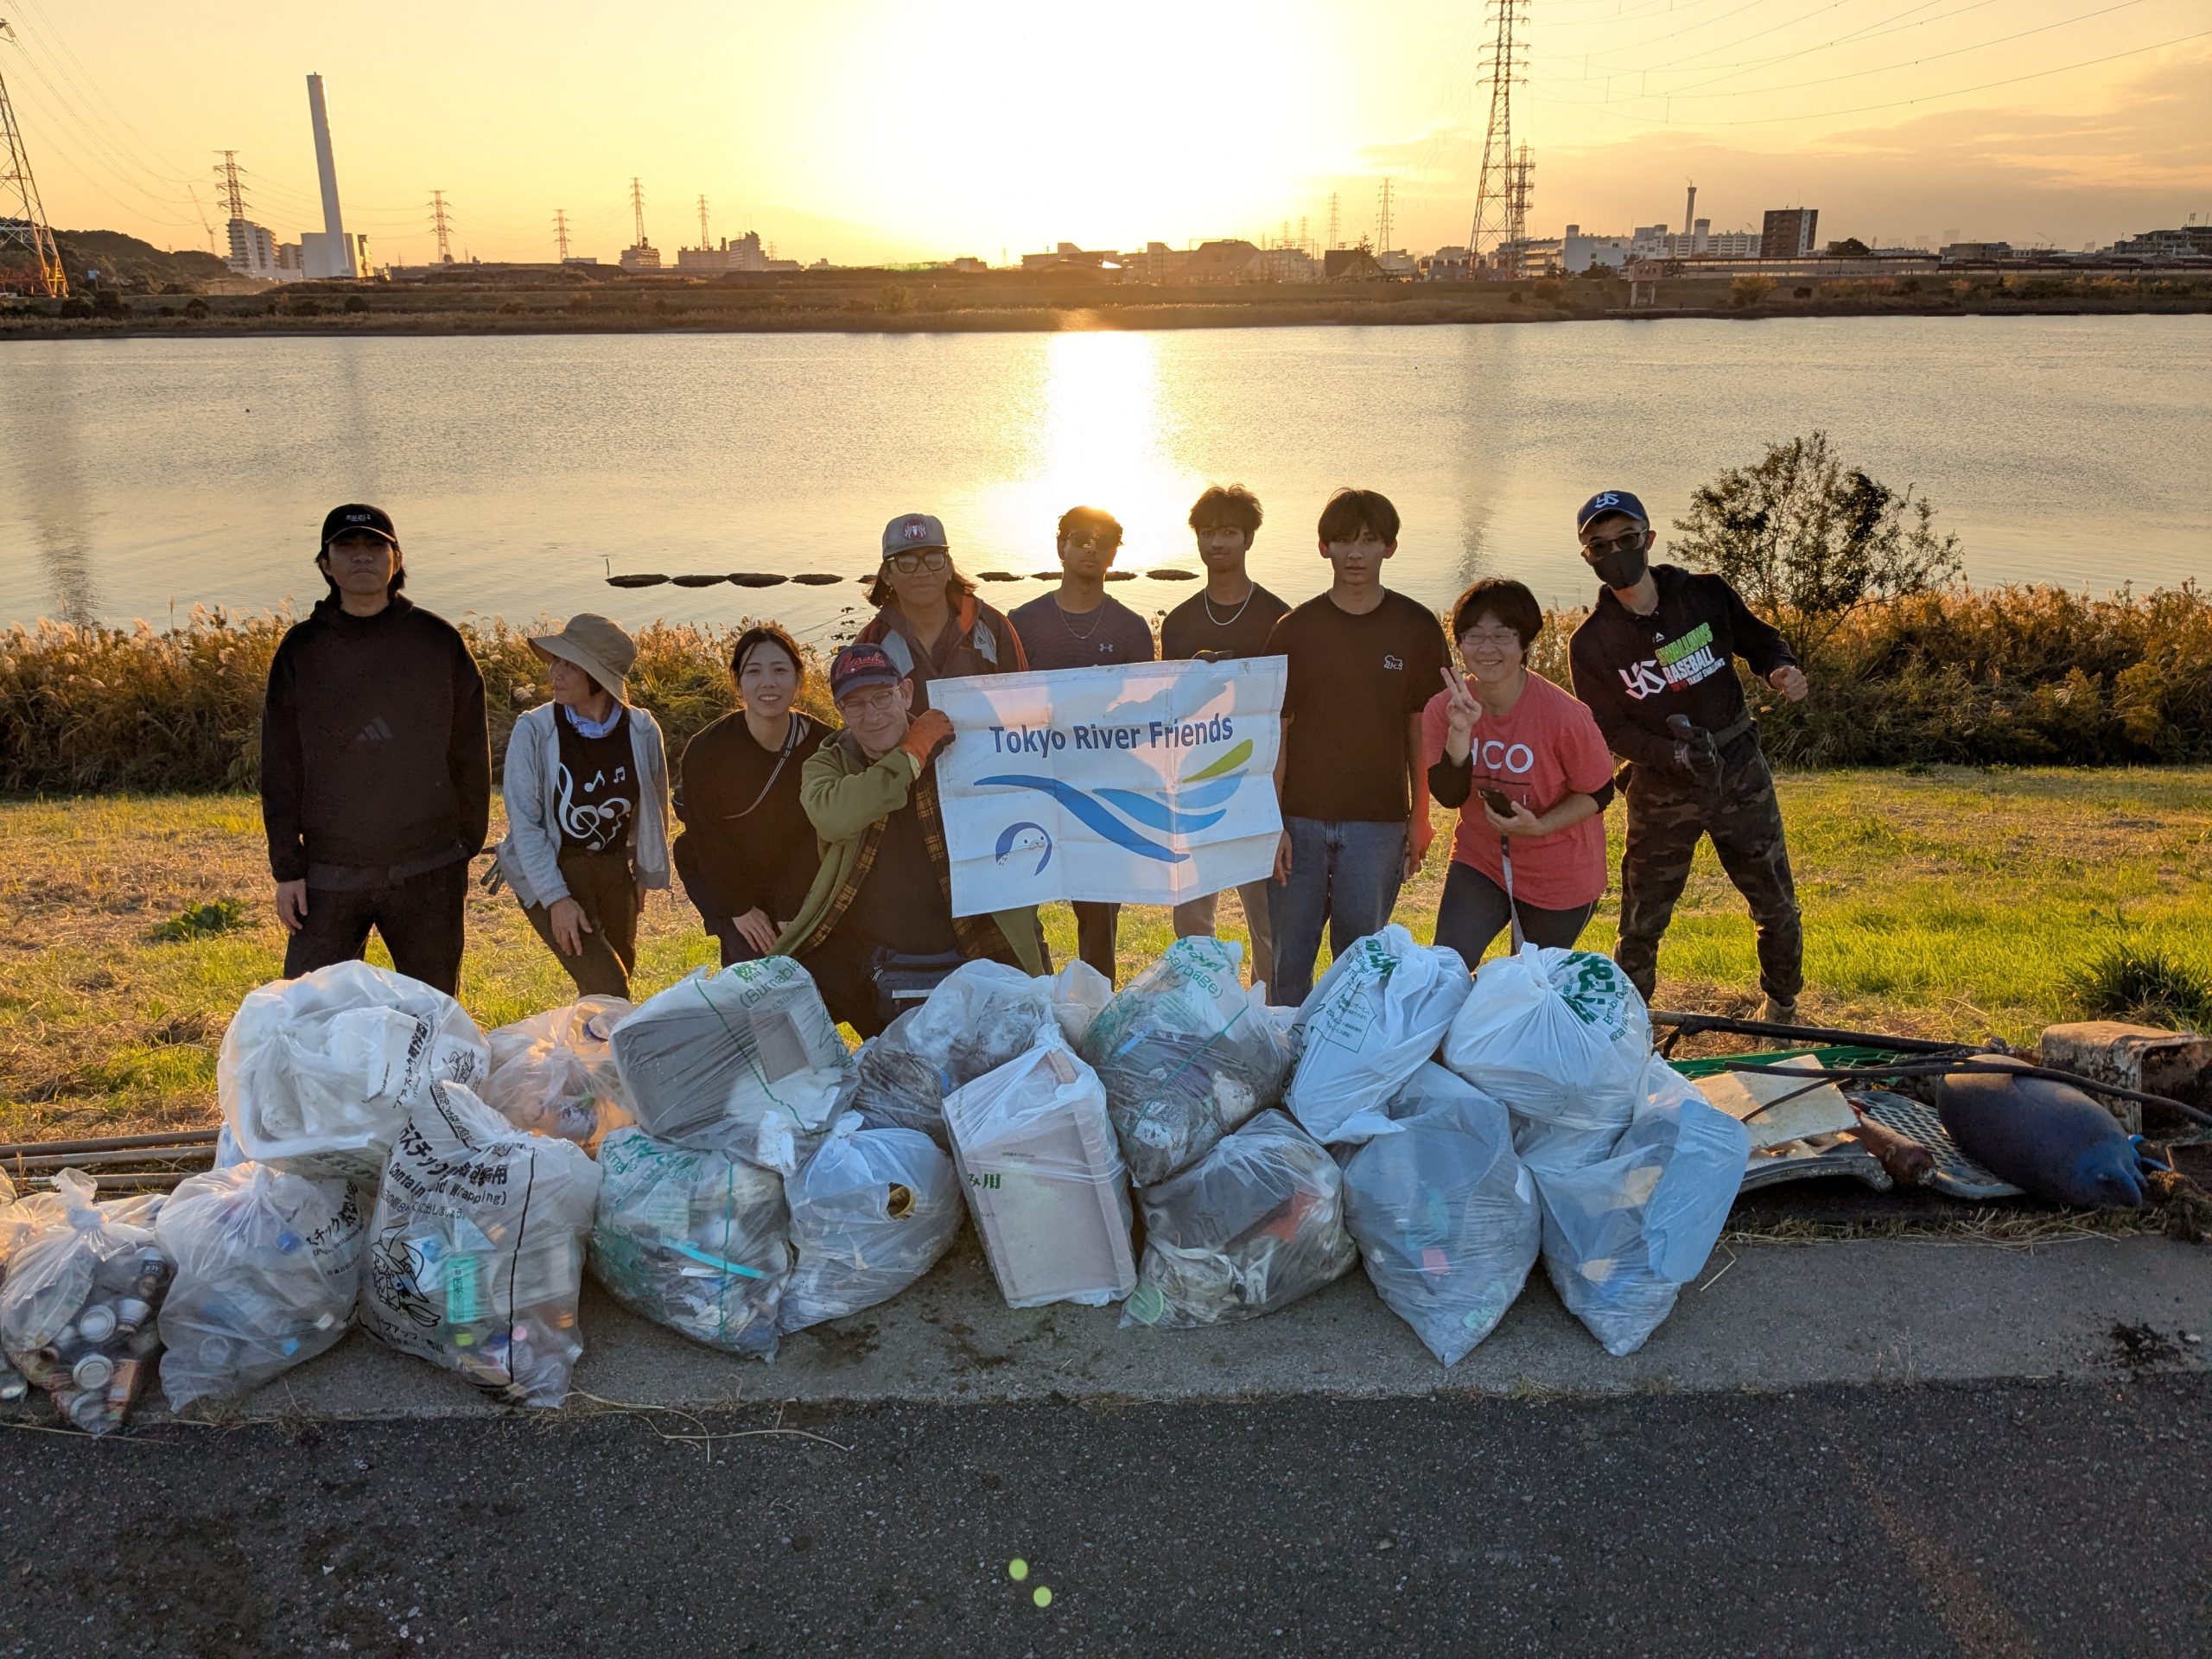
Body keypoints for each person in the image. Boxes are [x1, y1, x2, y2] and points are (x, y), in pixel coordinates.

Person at [1566, 488, 1811, 1022]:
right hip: (1660, 786)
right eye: (1600, 545)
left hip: (1738, 768)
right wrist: (1671, 754)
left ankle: (1782, 1005)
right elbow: (1609, 728)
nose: (1616, 552)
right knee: (1642, 916)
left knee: (1774, 901)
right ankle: (1628, 1023)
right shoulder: (1590, 643)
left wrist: (1781, 669)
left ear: (1649, 539)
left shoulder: (1703, 595)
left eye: (1626, 539)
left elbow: (1761, 640)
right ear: (1587, 557)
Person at [260, 503, 489, 995]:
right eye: (347, 547)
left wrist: (465, 842)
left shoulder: (436, 641)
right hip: (330, 869)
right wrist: (287, 868)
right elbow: (280, 764)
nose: (361, 557)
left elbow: (470, 749)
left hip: (427, 864)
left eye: (374, 546)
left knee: (433, 1007)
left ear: (396, 558)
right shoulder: (302, 649)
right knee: (308, 1008)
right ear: (325, 564)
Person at [776, 643, 1047, 1037]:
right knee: (780, 1022)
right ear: (840, 712)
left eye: (883, 697)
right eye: (855, 704)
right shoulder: (827, 763)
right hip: (870, 957)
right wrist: (912, 755)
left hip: (973, 940)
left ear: (905, 693)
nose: (872, 715)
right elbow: (835, 818)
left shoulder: (962, 746)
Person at [1264, 487, 1451, 1007]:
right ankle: (1281, 1068)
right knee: (1289, 966)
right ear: (1323, 546)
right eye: (1344, 540)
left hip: (1379, 821)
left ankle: (1344, 1067)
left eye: (1369, 541)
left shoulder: (1415, 626)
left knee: (1361, 966)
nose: (1355, 554)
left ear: (1389, 547)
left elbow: (1422, 728)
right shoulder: (1294, 630)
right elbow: (1277, 729)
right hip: (1299, 819)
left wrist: (1421, 814)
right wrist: (1272, 819)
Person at [1422, 578, 1614, 966]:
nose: (1487, 649)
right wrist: (1460, 731)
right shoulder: (1445, 708)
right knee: (1445, 966)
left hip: (1559, 870)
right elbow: (1449, 796)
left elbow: (1600, 792)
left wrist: (1540, 826)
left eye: (1502, 636)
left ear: (1525, 643)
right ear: (1459, 642)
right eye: (1473, 636)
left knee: (1526, 986)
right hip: (1482, 859)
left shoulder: (1564, 715)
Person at [1007, 505, 1156, 983]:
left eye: (1103, 541)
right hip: (1032, 783)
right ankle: (1035, 996)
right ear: (1060, 548)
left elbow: (1141, 715)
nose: (1091, 547)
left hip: (1101, 791)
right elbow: (1004, 705)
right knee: (1018, 902)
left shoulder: (1133, 629)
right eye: (1079, 538)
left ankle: (1097, 1006)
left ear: (1114, 554)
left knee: (1098, 916)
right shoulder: (1021, 622)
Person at [493, 613, 671, 1001]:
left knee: (619, 972)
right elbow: (526, 824)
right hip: (553, 866)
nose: (554, 672)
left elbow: (653, 808)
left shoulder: (641, 730)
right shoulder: (536, 730)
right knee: (607, 984)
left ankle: (591, 1059)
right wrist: (556, 899)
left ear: (597, 677)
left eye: (569, 664)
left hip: (610, 867)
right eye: (555, 661)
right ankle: (606, 1059)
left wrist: (642, 871)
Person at [1160, 484, 1290, 990]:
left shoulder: (1280, 617)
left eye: (1229, 533)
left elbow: (1288, 710)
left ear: (1248, 539)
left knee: (1268, 920)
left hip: (1258, 785)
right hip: (1195, 782)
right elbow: (1168, 708)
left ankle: (1271, 1012)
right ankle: (1200, 1002)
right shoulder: (1179, 621)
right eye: (1209, 533)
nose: (1218, 543)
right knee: (1192, 915)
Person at [671, 625, 830, 966]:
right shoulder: (706, 750)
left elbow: (826, 829)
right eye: (754, 671)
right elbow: (706, 835)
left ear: (799, 680)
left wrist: (793, 904)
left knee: (821, 984)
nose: (768, 682)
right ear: (738, 683)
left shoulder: (824, 746)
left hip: (806, 884)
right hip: (734, 884)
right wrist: (739, 908)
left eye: (780, 670)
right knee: (752, 982)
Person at [850, 511, 1027, 714]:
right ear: (887, 575)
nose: (923, 571)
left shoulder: (991, 626)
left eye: (934, 559)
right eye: (906, 563)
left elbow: (1024, 703)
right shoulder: (872, 644)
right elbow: (863, 724)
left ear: (949, 567)